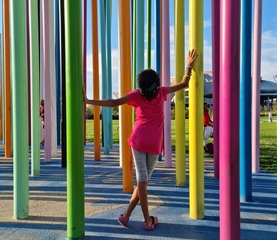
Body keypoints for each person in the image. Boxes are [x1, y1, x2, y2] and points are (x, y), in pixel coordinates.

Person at [84, 49, 197, 231]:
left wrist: (90, 101)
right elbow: (184, 83)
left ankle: (126, 216)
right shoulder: (161, 92)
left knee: (142, 183)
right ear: (156, 84)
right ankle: (147, 221)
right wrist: (188, 66)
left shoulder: (137, 95)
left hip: (139, 144)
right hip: (152, 146)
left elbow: (114, 103)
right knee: (142, 182)